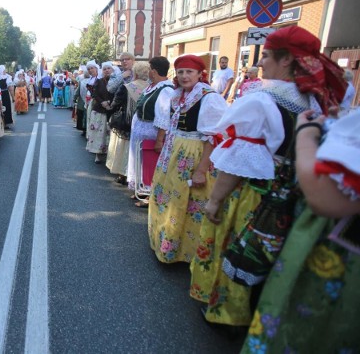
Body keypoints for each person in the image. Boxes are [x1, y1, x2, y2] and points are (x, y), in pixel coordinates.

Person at [192, 25, 347, 328]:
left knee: (240, 247)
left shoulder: (262, 101)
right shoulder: (314, 102)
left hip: (257, 192)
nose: (260, 62)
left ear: (287, 60)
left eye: (267, 56)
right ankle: (264, 315)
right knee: (275, 255)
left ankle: (228, 314)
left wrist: (214, 200)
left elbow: (238, 162)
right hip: (296, 192)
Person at [240, 108, 359, 353]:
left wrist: (305, 136)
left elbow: (325, 197)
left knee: (308, 328)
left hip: (337, 257)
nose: (260, 65)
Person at [147, 55, 227, 263]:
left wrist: (201, 170)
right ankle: (166, 242)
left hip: (194, 155)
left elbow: (213, 138)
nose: (184, 76)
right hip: (174, 152)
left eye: (189, 72)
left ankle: (187, 252)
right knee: (170, 197)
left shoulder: (209, 98)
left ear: (200, 74)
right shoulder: (177, 95)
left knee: (190, 202)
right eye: (180, 71)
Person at [127, 57, 174, 207]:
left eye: (149, 69)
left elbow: (164, 116)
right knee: (141, 162)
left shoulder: (165, 89)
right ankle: (142, 189)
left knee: (151, 164)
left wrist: (160, 140)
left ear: (153, 71)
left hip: (151, 132)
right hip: (142, 130)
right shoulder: (152, 86)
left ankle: (151, 196)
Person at [106, 61, 150, 185]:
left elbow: (115, 103)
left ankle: (122, 174)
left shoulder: (127, 86)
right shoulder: (150, 88)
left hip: (126, 122)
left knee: (123, 147)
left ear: (135, 73)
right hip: (143, 124)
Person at [86, 61, 113, 164]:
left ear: (112, 70)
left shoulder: (117, 81)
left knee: (108, 133)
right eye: (105, 69)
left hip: (111, 110)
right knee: (97, 133)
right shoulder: (99, 81)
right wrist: (102, 102)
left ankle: (108, 155)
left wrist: (110, 102)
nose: (106, 70)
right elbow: (95, 93)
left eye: (108, 68)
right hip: (99, 110)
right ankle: (97, 154)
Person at [75, 66, 90, 136]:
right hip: (90, 102)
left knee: (82, 116)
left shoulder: (82, 82)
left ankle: (83, 129)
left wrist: (74, 98)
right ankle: (88, 129)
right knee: (87, 116)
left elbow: (77, 92)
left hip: (81, 101)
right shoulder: (93, 81)